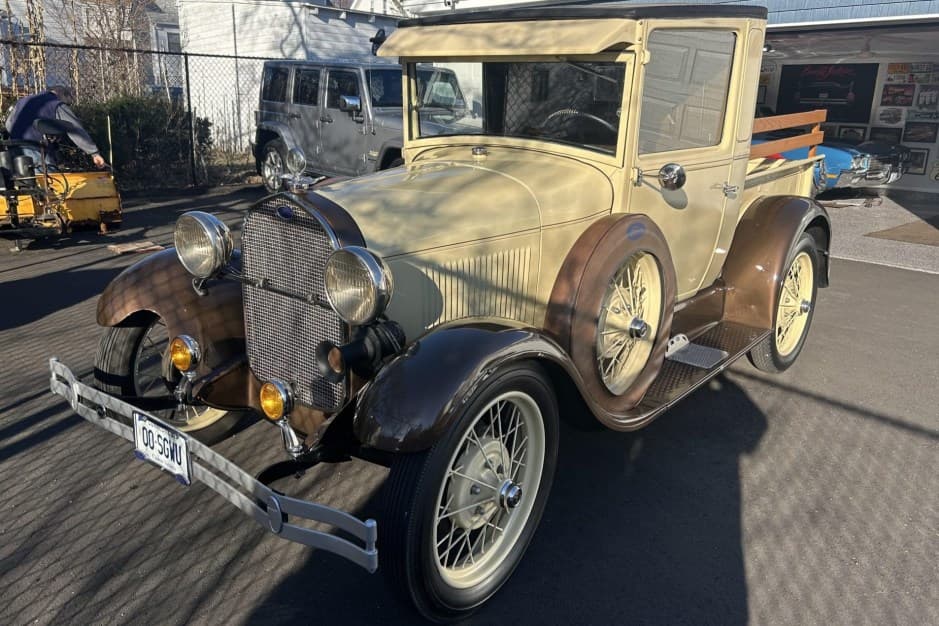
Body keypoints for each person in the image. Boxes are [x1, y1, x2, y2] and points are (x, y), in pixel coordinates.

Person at [4, 85, 107, 169]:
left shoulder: (22, 102)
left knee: (25, 183)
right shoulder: (55, 104)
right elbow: (74, 129)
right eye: (68, 103)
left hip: (14, 148)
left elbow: (8, 125)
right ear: (64, 95)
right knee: (52, 183)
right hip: (35, 150)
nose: (68, 106)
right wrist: (94, 153)